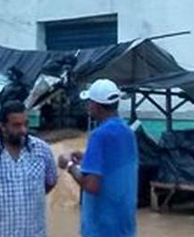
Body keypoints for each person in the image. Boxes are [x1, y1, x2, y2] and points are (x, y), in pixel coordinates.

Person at [0, 100, 59, 237]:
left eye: (26, 124)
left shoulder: (42, 150)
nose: (23, 130)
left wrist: (27, 198)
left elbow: (51, 181)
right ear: (2, 126)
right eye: (16, 125)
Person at [59, 79, 138, 237]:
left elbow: (91, 185)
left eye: (89, 102)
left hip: (101, 227)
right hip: (124, 225)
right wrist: (86, 159)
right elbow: (113, 166)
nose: (88, 106)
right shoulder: (127, 132)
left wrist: (68, 165)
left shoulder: (99, 135)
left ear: (96, 105)